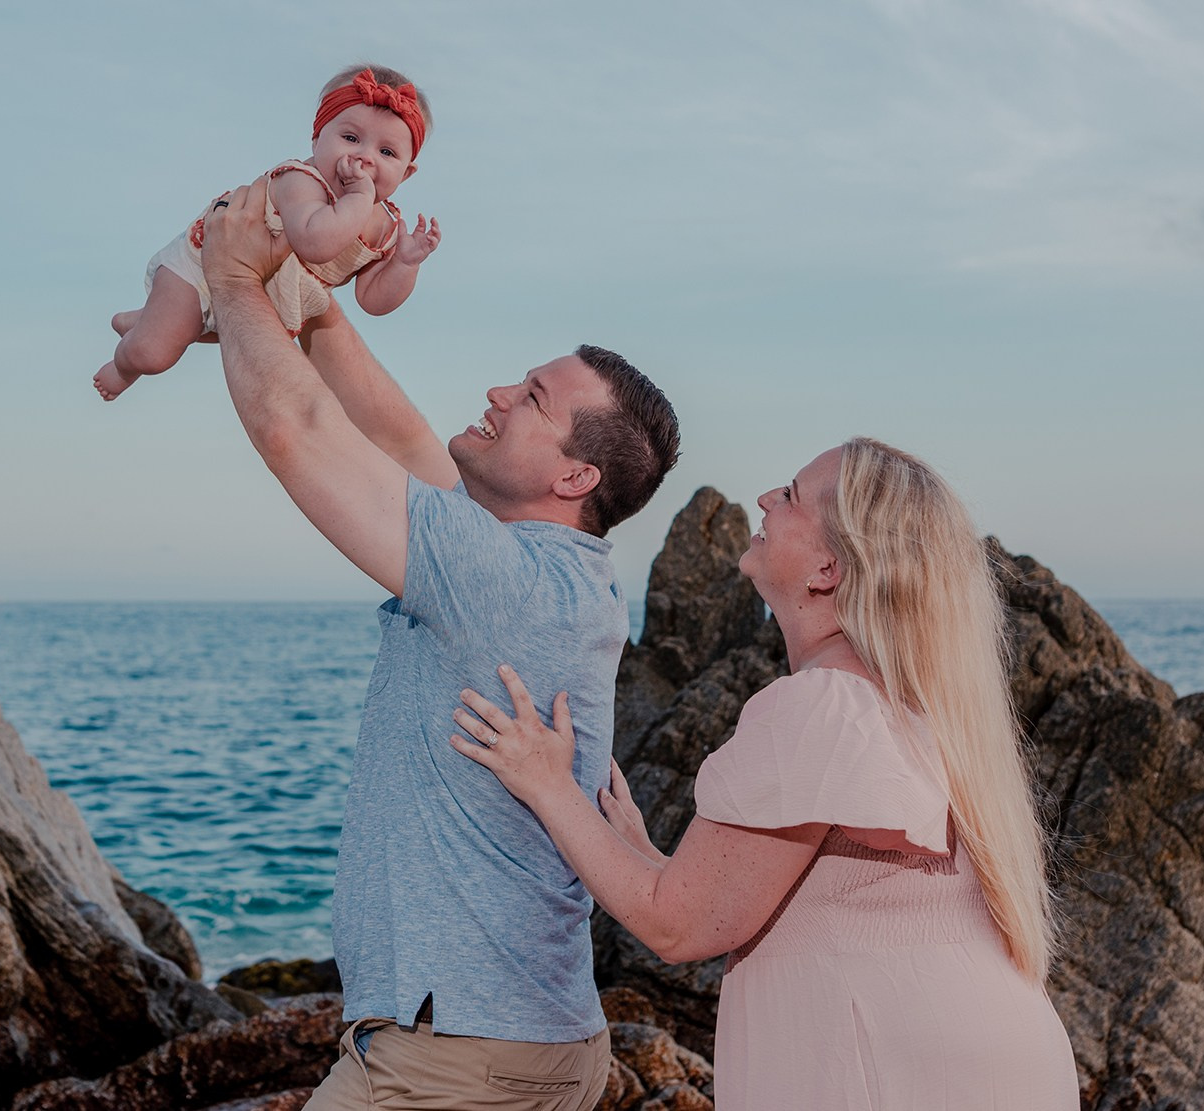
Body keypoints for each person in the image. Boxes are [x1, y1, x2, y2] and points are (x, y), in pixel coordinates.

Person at [196, 177, 681, 1110]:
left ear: (575, 473)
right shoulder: (551, 570)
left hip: (452, 1059)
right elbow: (403, 432)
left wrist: (231, 273)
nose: (500, 389)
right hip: (523, 1038)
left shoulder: (501, 580)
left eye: (533, 397)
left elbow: (296, 431)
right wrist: (310, 302)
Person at [452, 438, 1082, 1108]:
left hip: (894, 1074)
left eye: (791, 495)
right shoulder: (918, 709)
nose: (764, 500)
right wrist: (640, 852)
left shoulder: (820, 705)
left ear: (827, 568)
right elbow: (786, 899)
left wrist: (546, 782)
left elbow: (679, 929)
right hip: (997, 1062)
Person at [92, 64, 442, 400]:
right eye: (351, 138)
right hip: (203, 270)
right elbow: (315, 243)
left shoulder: (384, 226)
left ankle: (146, 318)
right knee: (155, 353)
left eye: (386, 152)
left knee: (204, 331)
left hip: (258, 301)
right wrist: (361, 196)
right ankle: (124, 366)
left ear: (406, 173)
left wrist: (404, 265)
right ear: (317, 138)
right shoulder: (301, 182)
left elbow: (373, 301)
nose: (365, 158)